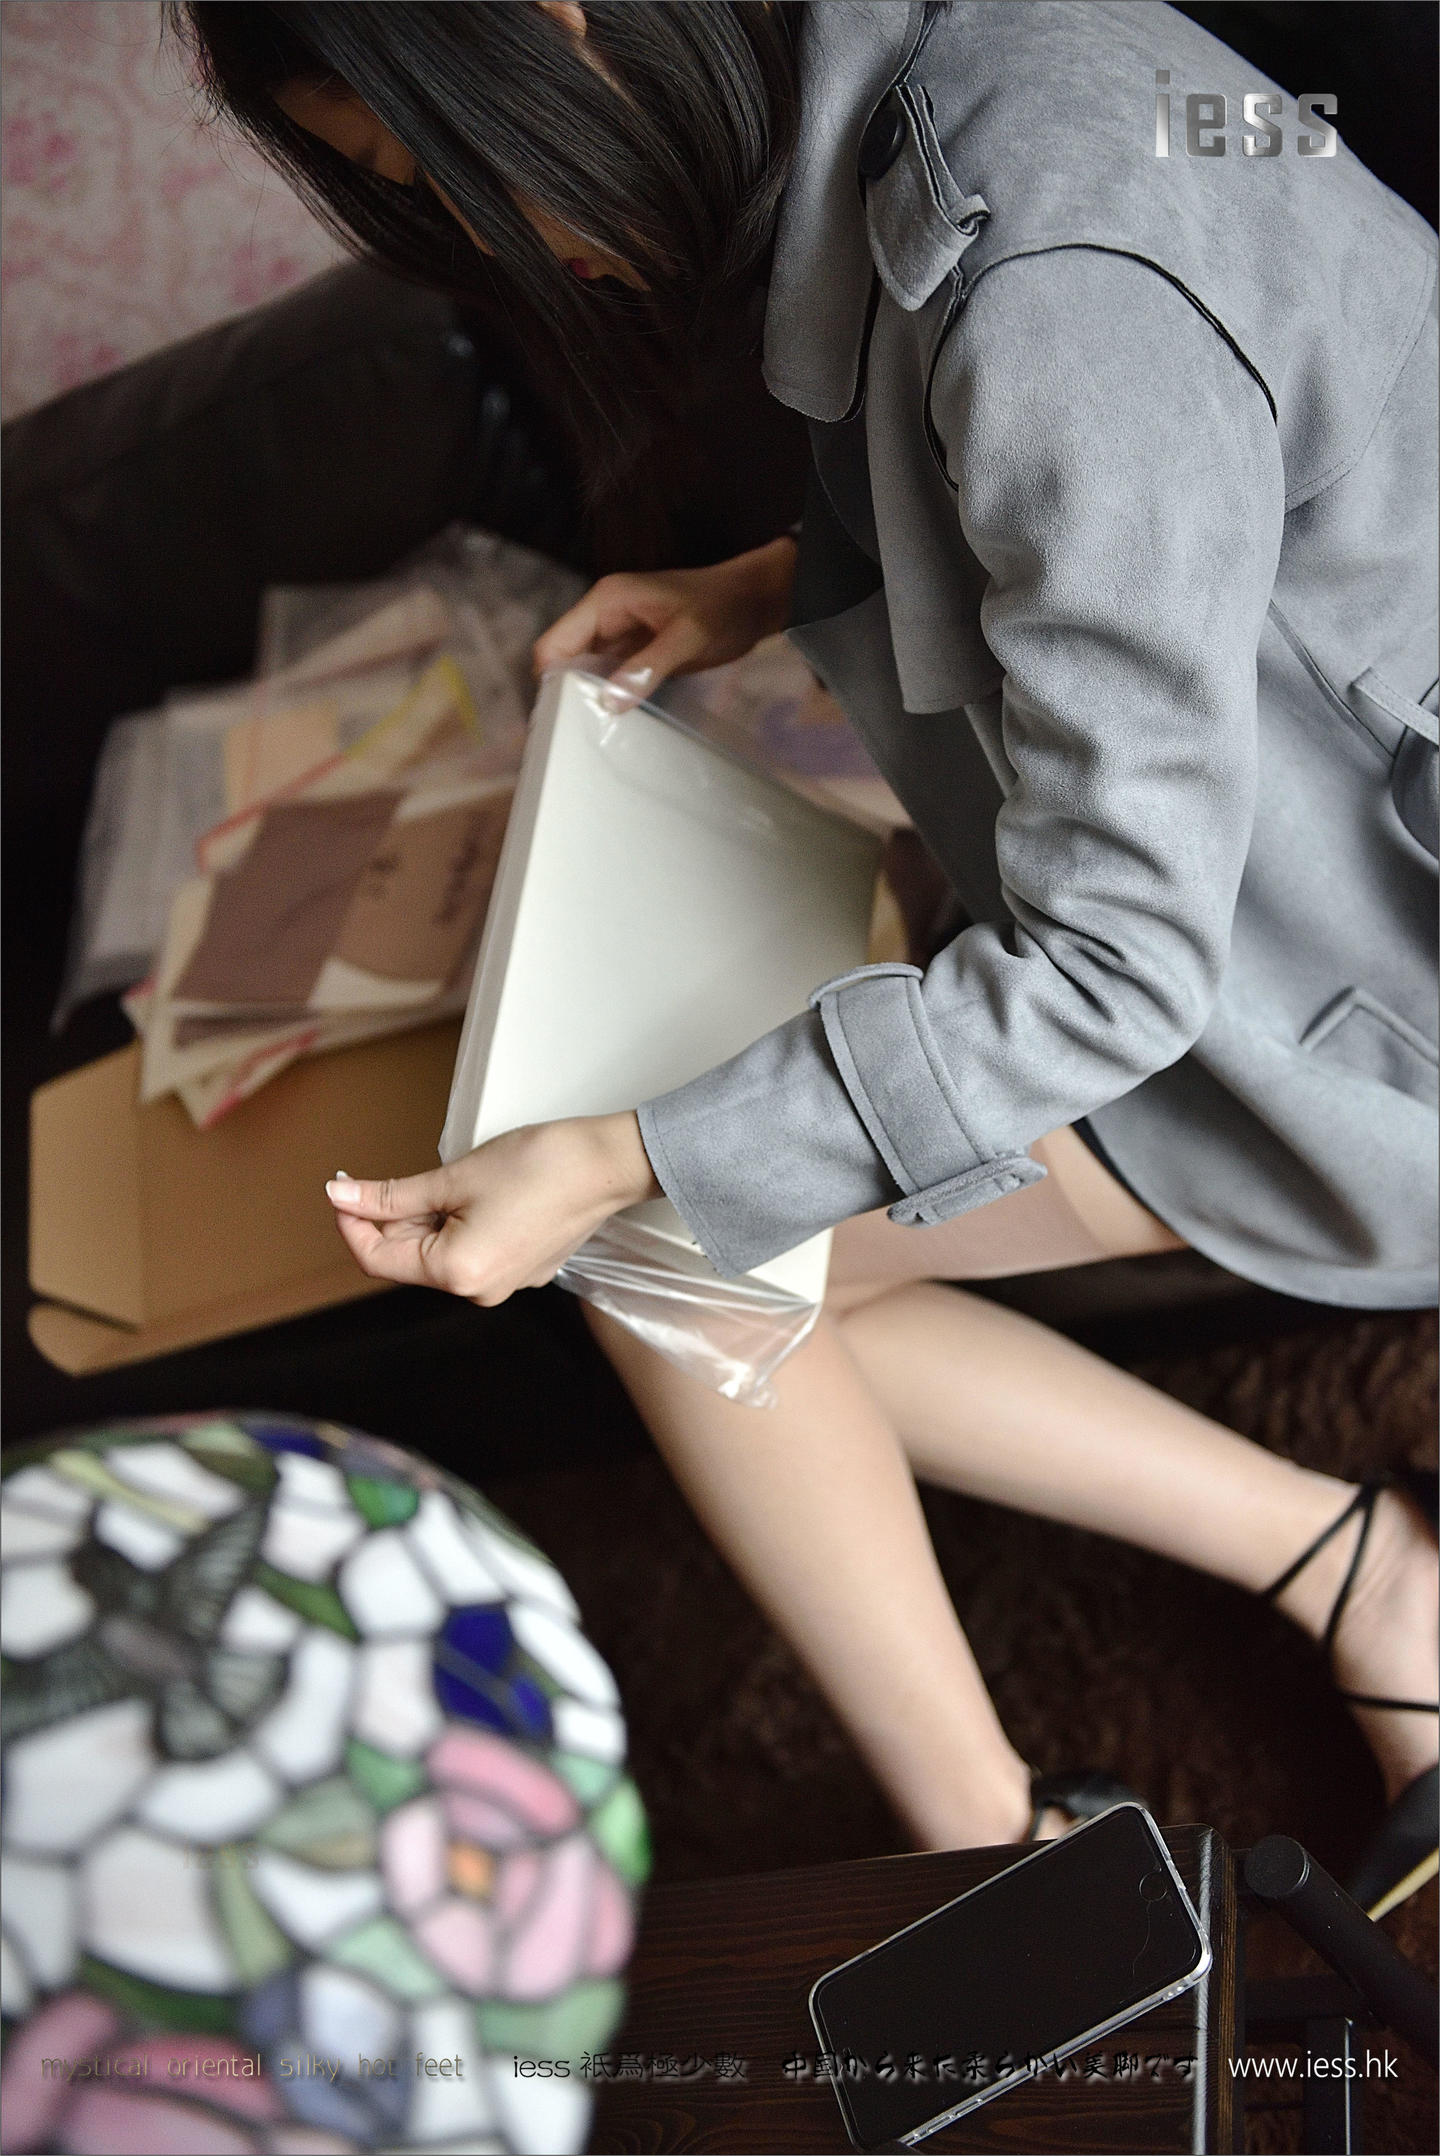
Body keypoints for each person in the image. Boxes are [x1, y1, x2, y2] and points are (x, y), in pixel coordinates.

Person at [173, 1, 1438, 1907]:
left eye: (431, 157)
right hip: (1314, 855)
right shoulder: (984, 74)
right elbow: (1195, 464)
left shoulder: (1039, 262)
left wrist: (626, 1152)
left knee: (665, 1239)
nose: (482, 226)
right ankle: (1356, 1581)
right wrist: (765, 583)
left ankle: (1005, 1847)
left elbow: (1118, 967)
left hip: (1372, 999)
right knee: (692, 1221)